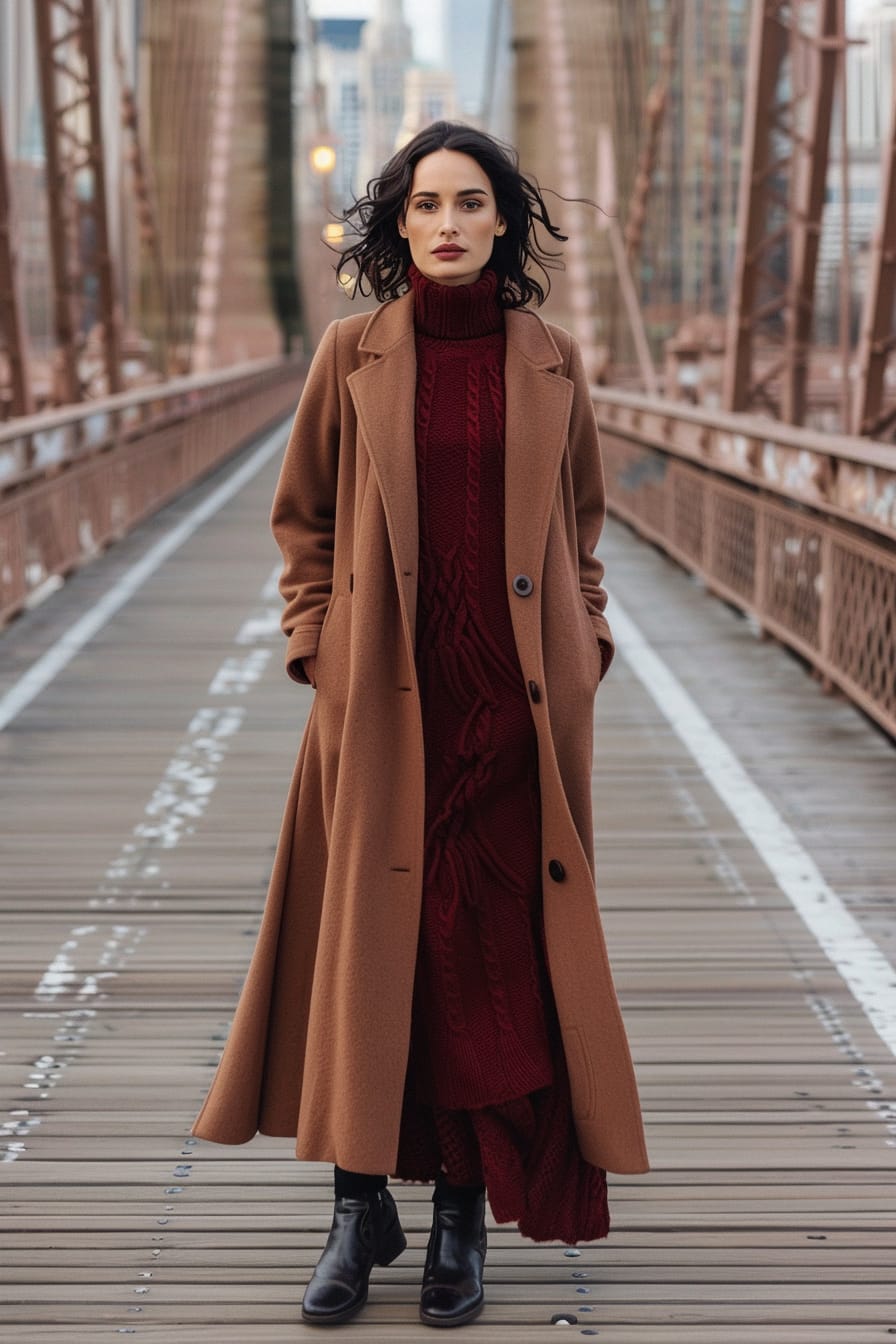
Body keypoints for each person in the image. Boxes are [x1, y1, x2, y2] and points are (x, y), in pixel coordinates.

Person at [192, 120, 648, 1329]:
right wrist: (315, 644)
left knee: (480, 957)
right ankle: (354, 1206)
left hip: (516, 713)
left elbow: (582, 528)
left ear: (503, 220)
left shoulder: (549, 359)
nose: (446, 223)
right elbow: (304, 522)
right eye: (425, 205)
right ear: (398, 225)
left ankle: (456, 1214)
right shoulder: (349, 355)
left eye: (470, 202)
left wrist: (583, 642)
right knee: (371, 946)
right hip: (384, 710)